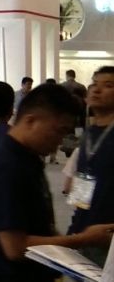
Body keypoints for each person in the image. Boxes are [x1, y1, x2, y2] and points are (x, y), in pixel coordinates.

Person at [0, 83, 114, 281]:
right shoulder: (7, 167)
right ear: (31, 121)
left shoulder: (28, 158)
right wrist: (84, 237)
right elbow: (15, 247)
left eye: (108, 85)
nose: (60, 140)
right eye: (59, 131)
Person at [68, 66, 114, 263]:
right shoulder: (89, 134)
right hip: (86, 235)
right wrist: (75, 229)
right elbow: (82, 184)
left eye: (108, 85)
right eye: (94, 84)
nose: (96, 90)